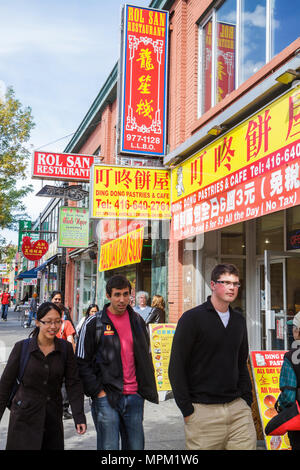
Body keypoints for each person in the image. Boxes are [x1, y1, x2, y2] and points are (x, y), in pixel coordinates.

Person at [168, 263, 257, 450]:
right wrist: (187, 410)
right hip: (202, 412)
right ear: (213, 285)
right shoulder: (192, 319)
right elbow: (176, 367)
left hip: (238, 410)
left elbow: (241, 363)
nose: (232, 287)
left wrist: (246, 400)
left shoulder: (239, 321)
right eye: (225, 282)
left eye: (235, 283)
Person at [76, 274, 158, 450]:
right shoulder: (94, 322)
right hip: (106, 397)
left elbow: (145, 356)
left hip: (134, 397)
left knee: (136, 447)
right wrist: (98, 392)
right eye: (117, 294)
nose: (122, 299)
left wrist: (142, 391)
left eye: (126, 294)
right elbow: (81, 361)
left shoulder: (138, 321)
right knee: (109, 448)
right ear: (108, 296)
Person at [0, 302, 86, 450]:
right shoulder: (22, 348)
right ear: (38, 322)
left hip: (52, 420)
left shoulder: (65, 349)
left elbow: (73, 383)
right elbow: (5, 386)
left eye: (58, 321)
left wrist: (79, 416)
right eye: (48, 322)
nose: (53, 326)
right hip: (23, 420)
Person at [277, 312, 300, 450]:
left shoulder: (291, 357)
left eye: (293, 327)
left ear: (297, 331)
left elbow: (288, 396)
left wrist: (279, 407)